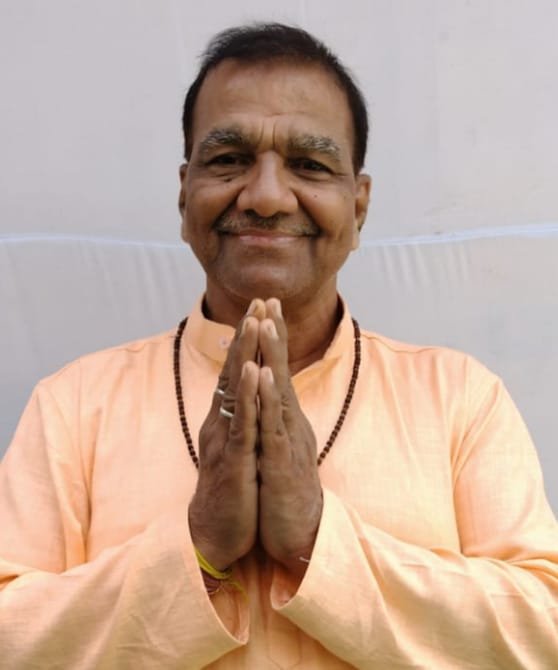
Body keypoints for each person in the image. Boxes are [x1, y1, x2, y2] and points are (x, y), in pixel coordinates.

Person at [1, 22, 557, 669]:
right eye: (229, 159)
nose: (265, 197)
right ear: (184, 193)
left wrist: (319, 542)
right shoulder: (75, 404)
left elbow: (543, 631)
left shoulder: (459, 398)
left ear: (359, 205)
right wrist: (197, 546)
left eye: (310, 165)